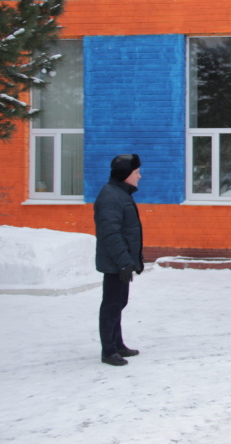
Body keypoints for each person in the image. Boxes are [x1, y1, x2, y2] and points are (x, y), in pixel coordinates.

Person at [94, 154, 145, 367]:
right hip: (115, 262)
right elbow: (111, 234)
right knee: (112, 305)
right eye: (136, 172)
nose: (140, 176)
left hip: (120, 261)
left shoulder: (120, 193)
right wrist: (124, 262)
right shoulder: (110, 197)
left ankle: (118, 344)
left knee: (119, 303)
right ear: (125, 175)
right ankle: (109, 350)